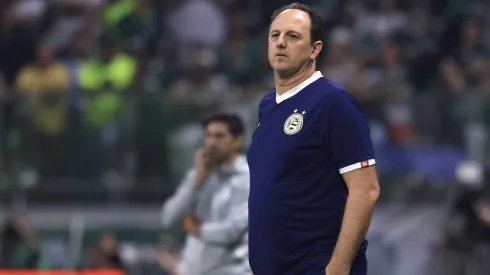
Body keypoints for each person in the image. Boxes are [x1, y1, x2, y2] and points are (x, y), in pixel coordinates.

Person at [247, 3, 380, 275]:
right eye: (275, 35)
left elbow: (365, 191)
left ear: (315, 49)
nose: (281, 43)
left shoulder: (333, 102)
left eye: (293, 36)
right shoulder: (268, 104)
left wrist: (338, 268)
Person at [161, 112, 251, 275]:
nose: (211, 143)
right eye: (208, 136)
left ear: (238, 140)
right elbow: (168, 217)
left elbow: (231, 232)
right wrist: (196, 182)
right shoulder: (199, 174)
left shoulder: (249, 178)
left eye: (219, 136)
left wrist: (195, 228)